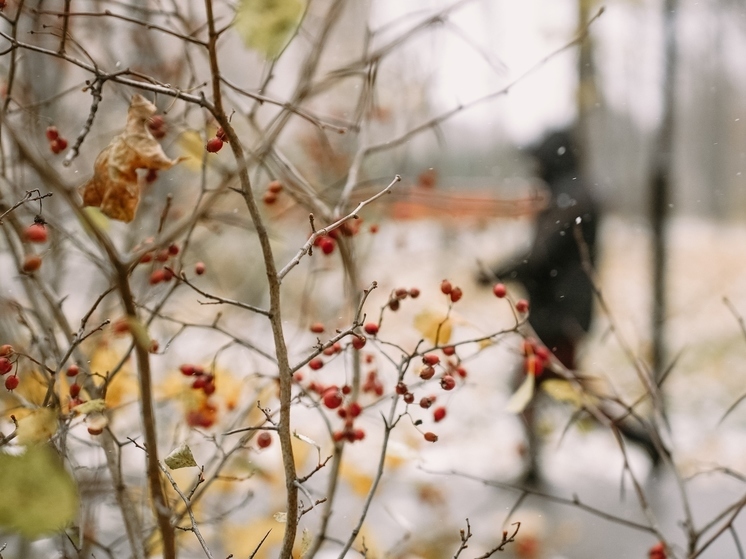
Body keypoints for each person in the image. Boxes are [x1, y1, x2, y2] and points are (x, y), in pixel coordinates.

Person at [479, 129, 660, 481]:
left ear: (553, 159)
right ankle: (537, 465)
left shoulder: (572, 199)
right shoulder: (568, 195)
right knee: (549, 389)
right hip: (557, 312)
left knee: (559, 391)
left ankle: (642, 440)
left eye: (538, 159)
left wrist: (497, 271)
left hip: (559, 315)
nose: (534, 167)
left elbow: (543, 255)